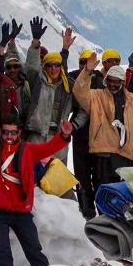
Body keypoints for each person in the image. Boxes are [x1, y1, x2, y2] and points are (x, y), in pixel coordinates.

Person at [0, 81, 72, 266]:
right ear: (0, 132)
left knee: (35, 253)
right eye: (5, 132)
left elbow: (50, 148)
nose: (8, 136)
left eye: (13, 132)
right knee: (2, 254)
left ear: (19, 133)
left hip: (21, 211)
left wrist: (64, 136)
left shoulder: (28, 150)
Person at [73, 54, 133, 192]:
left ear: (122, 82)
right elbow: (79, 91)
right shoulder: (96, 96)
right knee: (103, 193)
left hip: (126, 156)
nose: (112, 84)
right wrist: (87, 72)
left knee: (122, 196)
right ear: (105, 80)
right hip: (102, 155)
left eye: (117, 81)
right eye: (110, 80)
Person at [25, 16, 87, 163]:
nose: (53, 68)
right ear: (44, 67)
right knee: (33, 180)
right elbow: (31, 67)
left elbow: (84, 108)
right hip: (36, 138)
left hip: (58, 141)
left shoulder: (69, 86)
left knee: (56, 182)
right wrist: (35, 42)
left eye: (57, 65)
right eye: (49, 65)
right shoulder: (38, 82)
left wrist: (74, 125)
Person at [68, 49, 103, 219]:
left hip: (98, 135)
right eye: (82, 62)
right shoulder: (73, 77)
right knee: (81, 175)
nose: (84, 65)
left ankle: (102, 211)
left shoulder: (101, 80)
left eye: (87, 62)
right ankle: (86, 212)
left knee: (98, 175)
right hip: (80, 134)